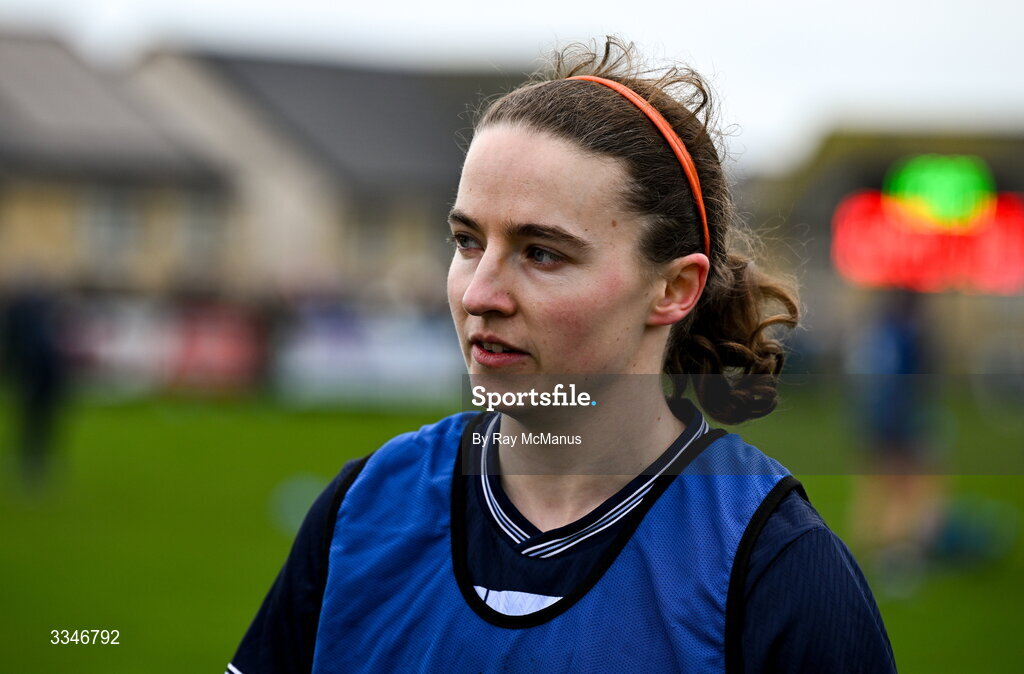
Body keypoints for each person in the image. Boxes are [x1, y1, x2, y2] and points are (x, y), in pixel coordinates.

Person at [228, 38, 895, 673]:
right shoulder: (364, 511)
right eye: (466, 242)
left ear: (673, 288)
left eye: (541, 252)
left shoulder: (773, 566)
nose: (480, 292)